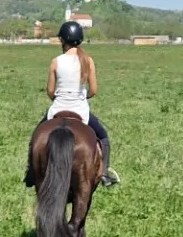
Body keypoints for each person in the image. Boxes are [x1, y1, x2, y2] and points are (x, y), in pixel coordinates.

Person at [30, 20, 119, 186]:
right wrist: (82, 97)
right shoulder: (88, 61)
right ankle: (105, 173)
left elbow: (50, 91)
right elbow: (93, 90)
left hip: (57, 107)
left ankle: (30, 172)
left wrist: (59, 99)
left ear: (63, 40)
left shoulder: (56, 61)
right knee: (103, 137)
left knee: (36, 134)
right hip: (80, 109)